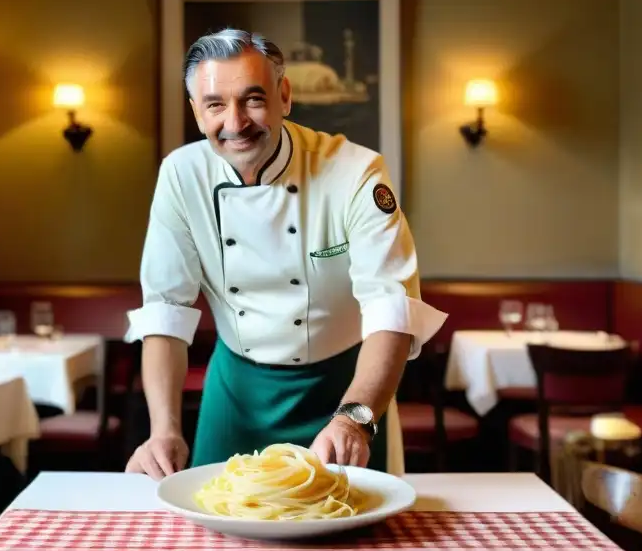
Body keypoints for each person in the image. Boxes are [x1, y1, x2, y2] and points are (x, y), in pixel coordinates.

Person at [124, 28, 446, 480]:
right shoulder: (181, 174)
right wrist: (163, 431)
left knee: (356, 537)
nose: (235, 123)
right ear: (197, 113)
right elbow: (166, 310)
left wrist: (355, 418)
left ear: (284, 96)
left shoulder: (355, 171)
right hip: (236, 395)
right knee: (217, 533)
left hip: (347, 391)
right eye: (215, 104)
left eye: (253, 100)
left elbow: (391, 308)